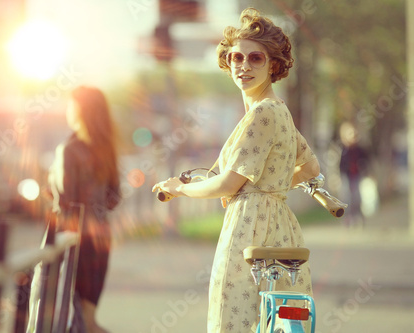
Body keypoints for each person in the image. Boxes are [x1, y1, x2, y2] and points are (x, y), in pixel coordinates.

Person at [152, 8, 320, 333]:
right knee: (277, 318)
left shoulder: (262, 113)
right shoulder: (280, 111)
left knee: (233, 323)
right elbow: (311, 167)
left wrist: (180, 188)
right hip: (282, 225)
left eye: (255, 58)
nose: (243, 65)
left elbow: (228, 183)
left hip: (249, 227)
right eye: (235, 58)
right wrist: (274, 188)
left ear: (273, 65)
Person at [48, 86, 120, 333]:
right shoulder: (106, 148)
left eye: (71, 104)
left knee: (69, 321)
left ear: (81, 110)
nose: (68, 110)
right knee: (87, 321)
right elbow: (114, 198)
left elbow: (65, 203)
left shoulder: (68, 150)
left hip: (74, 240)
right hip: (101, 239)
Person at [339, 121, 369, 226]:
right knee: (347, 198)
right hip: (346, 176)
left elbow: (366, 160)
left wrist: (364, 168)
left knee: (357, 197)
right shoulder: (343, 149)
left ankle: (359, 218)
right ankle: (348, 219)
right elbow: (340, 164)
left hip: (357, 175)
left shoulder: (360, 149)